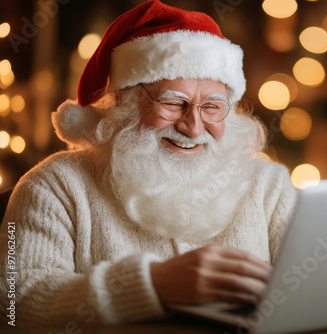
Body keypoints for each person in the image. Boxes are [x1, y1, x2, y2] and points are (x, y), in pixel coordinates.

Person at [0, 0, 297, 328]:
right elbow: (15, 306)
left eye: (212, 107)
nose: (194, 127)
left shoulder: (269, 185)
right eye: (173, 101)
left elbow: (321, 289)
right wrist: (152, 285)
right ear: (123, 102)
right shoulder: (54, 186)